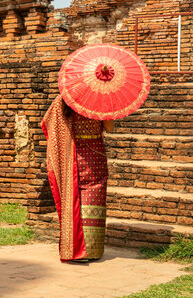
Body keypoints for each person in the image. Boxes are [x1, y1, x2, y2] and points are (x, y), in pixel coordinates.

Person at [41, 95, 114, 262]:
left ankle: (74, 247)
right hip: (95, 155)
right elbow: (109, 128)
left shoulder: (63, 100)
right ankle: (92, 250)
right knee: (94, 200)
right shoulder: (101, 100)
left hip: (72, 155)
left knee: (73, 200)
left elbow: (47, 123)